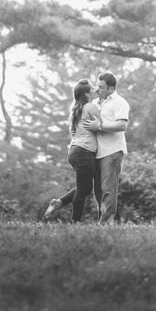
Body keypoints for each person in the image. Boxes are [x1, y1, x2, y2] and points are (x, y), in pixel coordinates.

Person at [43, 79, 102, 222]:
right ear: (87, 94)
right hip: (84, 152)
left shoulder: (76, 108)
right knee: (83, 190)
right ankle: (74, 222)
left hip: (75, 151)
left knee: (85, 188)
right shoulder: (90, 107)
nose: (95, 91)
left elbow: (72, 131)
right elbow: (102, 126)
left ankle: (59, 202)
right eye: (93, 89)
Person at [87, 71, 130, 223]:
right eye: (97, 86)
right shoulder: (94, 104)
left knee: (108, 189)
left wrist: (100, 126)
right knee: (98, 190)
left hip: (112, 151)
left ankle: (105, 223)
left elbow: (122, 125)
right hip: (96, 152)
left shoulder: (120, 102)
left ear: (111, 89)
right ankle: (105, 221)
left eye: (101, 87)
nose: (97, 90)